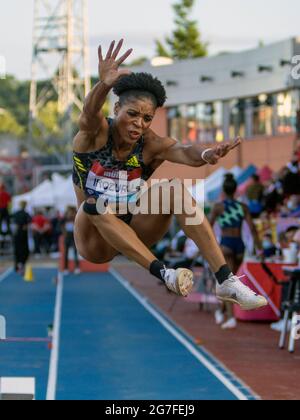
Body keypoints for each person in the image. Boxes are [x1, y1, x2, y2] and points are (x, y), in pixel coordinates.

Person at [72, 39, 267, 310]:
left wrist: (205, 155)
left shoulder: (150, 144)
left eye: (147, 118)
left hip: (133, 227)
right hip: (94, 235)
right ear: (116, 110)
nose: (139, 124)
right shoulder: (94, 135)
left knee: (174, 188)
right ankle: (165, 273)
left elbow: (185, 152)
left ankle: (225, 279)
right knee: (94, 205)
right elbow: (87, 114)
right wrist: (104, 84)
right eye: (132, 114)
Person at [210, 174, 263, 328]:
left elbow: (208, 227)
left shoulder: (218, 207)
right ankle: (221, 311)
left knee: (228, 282)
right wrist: (259, 249)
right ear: (236, 190)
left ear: (223, 190)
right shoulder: (243, 207)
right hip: (240, 246)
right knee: (233, 281)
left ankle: (230, 317)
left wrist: (209, 246)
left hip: (226, 245)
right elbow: (252, 228)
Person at [12, 201, 31, 274]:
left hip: (17, 234)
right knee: (24, 251)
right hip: (22, 235)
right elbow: (27, 224)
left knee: (17, 251)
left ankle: (18, 266)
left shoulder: (16, 214)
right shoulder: (26, 214)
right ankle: (21, 265)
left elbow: (14, 223)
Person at [62, 207, 80, 275]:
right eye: (69, 212)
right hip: (67, 237)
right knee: (66, 253)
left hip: (73, 237)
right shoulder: (64, 219)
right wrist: (64, 232)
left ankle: (77, 267)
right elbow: (61, 226)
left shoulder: (75, 218)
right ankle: (66, 268)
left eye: (71, 212)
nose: (70, 213)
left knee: (75, 253)